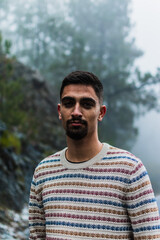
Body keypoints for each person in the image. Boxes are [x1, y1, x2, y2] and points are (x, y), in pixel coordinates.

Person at [29, 71, 160, 240]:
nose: (76, 111)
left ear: (101, 112)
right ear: (60, 111)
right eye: (69, 103)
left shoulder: (130, 170)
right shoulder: (43, 172)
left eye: (86, 104)